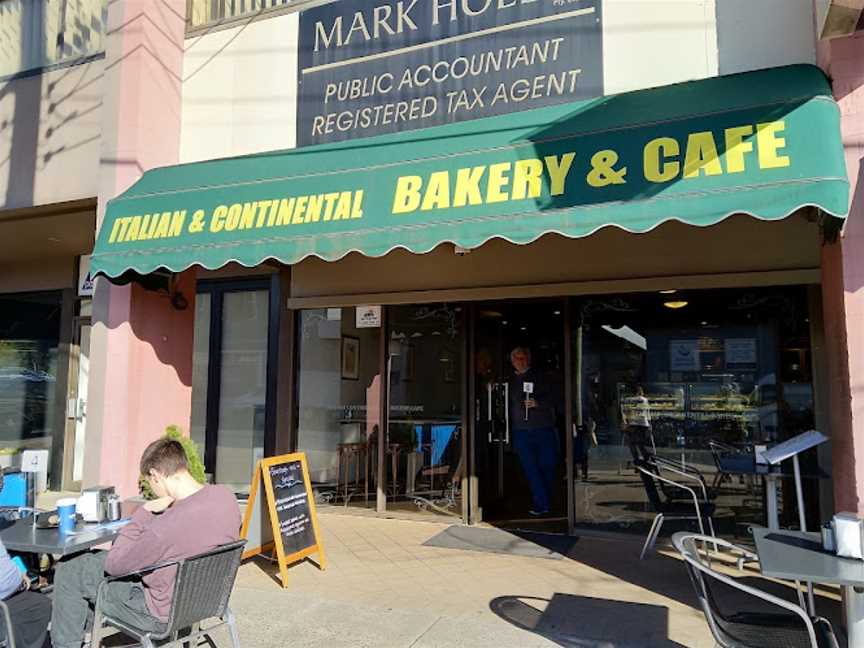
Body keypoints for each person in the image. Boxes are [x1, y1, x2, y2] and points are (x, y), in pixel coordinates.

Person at [51, 438, 242, 648]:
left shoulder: (167, 527)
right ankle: (87, 634)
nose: (151, 488)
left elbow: (114, 565)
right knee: (89, 564)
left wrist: (143, 513)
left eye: (150, 482)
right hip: (205, 601)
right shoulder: (225, 497)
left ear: (156, 475)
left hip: (158, 615)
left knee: (71, 568)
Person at [508, 347, 561, 516]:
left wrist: (538, 403)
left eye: (523, 357)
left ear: (528, 359)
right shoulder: (508, 380)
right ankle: (542, 503)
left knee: (547, 466)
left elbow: (556, 399)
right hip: (521, 431)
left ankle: (546, 501)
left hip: (542, 428)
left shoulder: (541, 377)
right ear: (512, 361)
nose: (520, 361)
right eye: (516, 358)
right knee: (531, 468)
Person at [0, 537, 51, 648]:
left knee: (43, 603)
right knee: (39, 606)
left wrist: (21, 571)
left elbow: (4, 556)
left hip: (18, 590)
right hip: (5, 602)